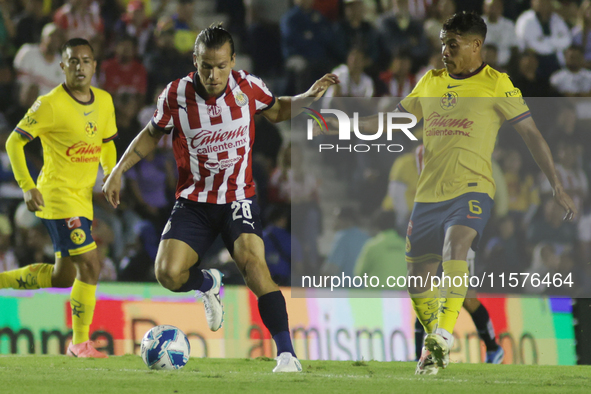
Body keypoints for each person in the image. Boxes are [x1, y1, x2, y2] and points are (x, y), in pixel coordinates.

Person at [102, 24, 338, 372]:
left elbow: (276, 109)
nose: (214, 75)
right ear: (194, 61)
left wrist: (307, 98)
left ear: (232, 61)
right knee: (167, 273)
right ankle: (208, 282)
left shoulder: (248, 87)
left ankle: (287, 354)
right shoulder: (175, 95)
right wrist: (119, 170)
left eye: (221, 66)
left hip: (237, 197)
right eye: (206, 66)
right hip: (194, 201)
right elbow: (152, 134)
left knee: (254, 265)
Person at [357, 11, 576, 375]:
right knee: (417, 284)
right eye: (443, 43)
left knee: (455, 248)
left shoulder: (497, 84)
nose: (445, 51)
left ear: (477, 46)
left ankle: (444, 336)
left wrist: (555, 183)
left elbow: (533, 135)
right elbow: (390, 121)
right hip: (428, 196)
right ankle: (433, 349)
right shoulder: (430, 81)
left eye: (453, 44)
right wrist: (336, 123)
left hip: (473, 190)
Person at [0, 38, 117, 358]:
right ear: (62, 66)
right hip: (57, 195)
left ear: (95, 65)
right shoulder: (50, 103)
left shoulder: (105, 101)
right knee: (91, 265)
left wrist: (111, 172)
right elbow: (13, 142)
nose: (80, 67)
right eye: (73, 61)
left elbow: (106, 142)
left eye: (86, 60)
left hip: (83, 198)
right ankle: (80, 343)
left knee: (63, 277)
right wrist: (26, 185)